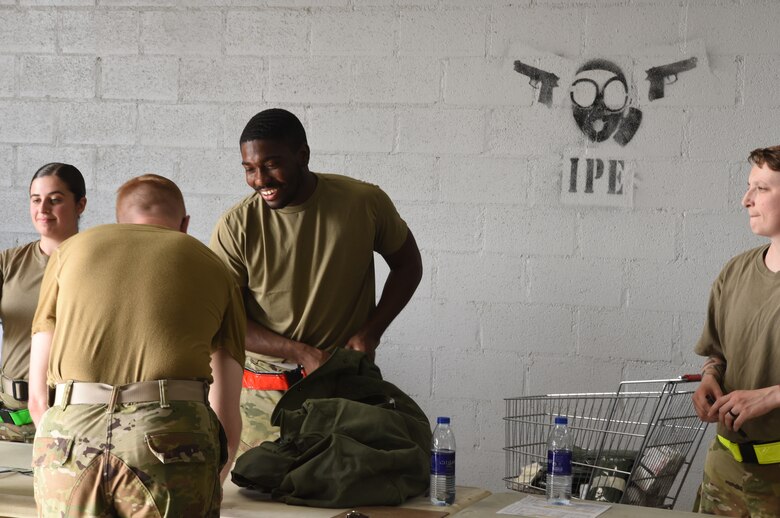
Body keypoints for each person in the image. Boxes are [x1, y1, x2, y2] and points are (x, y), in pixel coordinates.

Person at [28, 174, 245, 517]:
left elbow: (38, 397)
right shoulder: (213, 265)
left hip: (69, 434)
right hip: (170, 435)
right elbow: (227, 413)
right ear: (184, 223)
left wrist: (58, 444)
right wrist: (209, 481)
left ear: (119, 223)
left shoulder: (70, 252)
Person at [209, 108, 423, 451]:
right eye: (249, 169)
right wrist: (299, 352)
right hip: (266, 400)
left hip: (346, 391)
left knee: (344, 495)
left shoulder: (363, 202)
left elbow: (408, 264)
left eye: (270, 164)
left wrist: (371, 331)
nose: (259, 179)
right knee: (262, 500)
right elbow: (225, 321)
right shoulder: (236, 226)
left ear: (302, 155)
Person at [692, 145, 780, 516]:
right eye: (749, 187)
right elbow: (721, 353)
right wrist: (710, 377)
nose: (746, 200)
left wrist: (772, 396)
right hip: (723, 470)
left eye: (762, 189)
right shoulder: (735, 271)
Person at [0, 163, 87, 443]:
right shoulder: (9, 262)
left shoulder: (97, 264)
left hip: (74, 417)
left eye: (56, 199)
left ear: (80, 205)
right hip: (11, 420)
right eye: (36, 200)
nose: (43, 208)